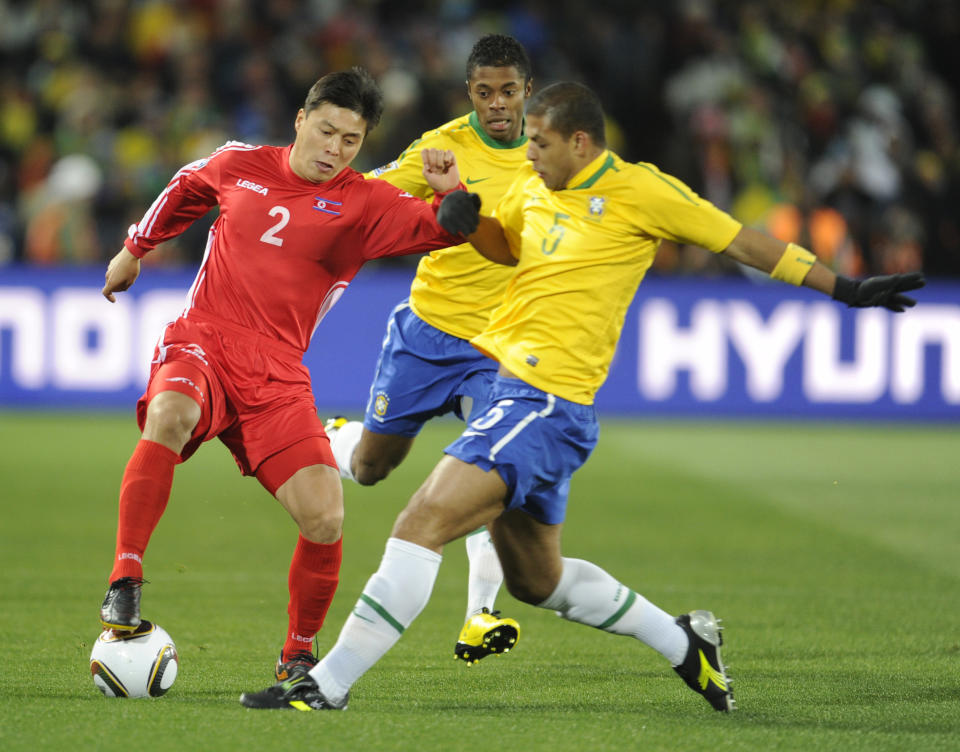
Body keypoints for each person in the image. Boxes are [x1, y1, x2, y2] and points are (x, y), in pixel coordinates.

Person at [239, 82, 924, 712]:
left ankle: (324, 688)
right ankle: (686, 643)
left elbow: (741, 240)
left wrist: (844, 288)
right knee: (538, 581)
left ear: (580, 142)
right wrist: (460, 215)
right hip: (522, 395)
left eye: (537, 141)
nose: (526, 152)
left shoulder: (641, 192)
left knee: (420, 524)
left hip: (545, 404)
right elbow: (502, 245)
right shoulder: (535, 190)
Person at [97, 67, 473, 683]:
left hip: (277, 375)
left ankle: (298, 655)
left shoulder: (366, 203)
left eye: (351, 141)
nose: (335, 149)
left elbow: (445, 230)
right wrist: (133, 249)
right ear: (301, 120)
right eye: (327, 131)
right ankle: (125, 579)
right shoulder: (238, 163)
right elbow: (186, 187)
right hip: (205, 341)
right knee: (169, 414)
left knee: (325, 515)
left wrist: (452, 196)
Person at [325, 34, 533, 663]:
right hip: (427, 333)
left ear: (527, 89)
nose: (497, 104)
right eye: (483, 92)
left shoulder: (551, 154)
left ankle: (481, 614)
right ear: (469, 93)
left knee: (490, 468)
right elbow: (370, 196)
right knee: (370, 469)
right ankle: (336, 436)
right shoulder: (442, 149)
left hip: (499, 346)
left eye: (508, 91)